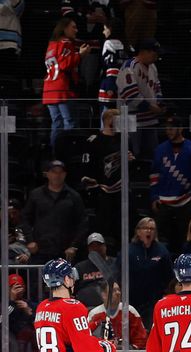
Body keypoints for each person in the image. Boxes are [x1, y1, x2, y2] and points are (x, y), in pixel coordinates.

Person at [149, 116, 191, 254]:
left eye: (171, 128)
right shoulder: (160, 149)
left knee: (186, 239)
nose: (168, 131)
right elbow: (154, 175)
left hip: (186, 202)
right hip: (164, 203)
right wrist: (154, 197)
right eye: (166, 128)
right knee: (163, 240)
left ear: (180, 128)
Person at [22, 160, 88, 264]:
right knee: (38, 280)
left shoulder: (74, 197)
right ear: (47, 174)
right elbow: (25, 218)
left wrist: (74, 246)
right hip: (40, 251)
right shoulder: (36, 195)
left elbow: (83, 223)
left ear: (65, 174)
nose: (57, 175)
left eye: (60, 172)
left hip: (65, 253)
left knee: (65, 280)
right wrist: (30, 240)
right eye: (54, 172)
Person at [80, 109, 128, 251]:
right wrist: (94, 187)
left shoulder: (123, 139)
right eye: (117, 119)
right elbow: (86, 168)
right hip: (101, 192)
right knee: (104, 229)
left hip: (121, 192)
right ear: (107, 120)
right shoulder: (94, 141)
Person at [43, 17, 89, 150]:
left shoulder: (51, 44)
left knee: (56, 124)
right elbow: (64, 65)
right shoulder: (66, 42)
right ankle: (69, 155)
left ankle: (55, 157)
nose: (76, 30)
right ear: (64, 28)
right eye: (73, 27)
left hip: (49, 90)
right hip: (63, 89)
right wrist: (80, 55)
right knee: (70, 123)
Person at [117, 38, 165, 158]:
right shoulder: (129, 66)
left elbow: (157, 89)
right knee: (134, 155)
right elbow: (130, 95)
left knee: (153, 155)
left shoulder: (153, 67)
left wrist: (159, 104)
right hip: (132, 120)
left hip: (150, 119)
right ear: (144, 51)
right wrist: (152, 107)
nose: (157, 55)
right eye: (154, 52)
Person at [124, 217, 173, 329]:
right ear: (138, 231)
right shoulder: (128, 251)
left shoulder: (162, 250)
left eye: (152, 229)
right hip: (132, 301)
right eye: (146, 228)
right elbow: (119, 274)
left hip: (153, 301)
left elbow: (169, 277)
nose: (149, 231)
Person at [86, 280, 148, 350]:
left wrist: (130, 349)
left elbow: (141, 340)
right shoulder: (94, 314)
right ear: (104, 295)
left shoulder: (129, 311)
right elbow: (88, 340)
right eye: (114, 291)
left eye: (118, 290)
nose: (118, 293)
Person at [74, 232, 115, 309]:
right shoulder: (80, 267)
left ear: (105, 246)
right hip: (87, 308)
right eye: (92, 246)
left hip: (111, 307)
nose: (96, 248)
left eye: (99, 245)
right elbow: (72, 289)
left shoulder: (115, 263)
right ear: (89, 249)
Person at [8, 273, 36, 352]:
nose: (18, 290)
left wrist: (28, 311)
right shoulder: (4, 305)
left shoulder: (30, 304)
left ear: (24, 288)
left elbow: (39, 322)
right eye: (14, 287)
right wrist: (12, 301)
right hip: (9, 335)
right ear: (8, 289)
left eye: (20, 286)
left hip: (27, 336)